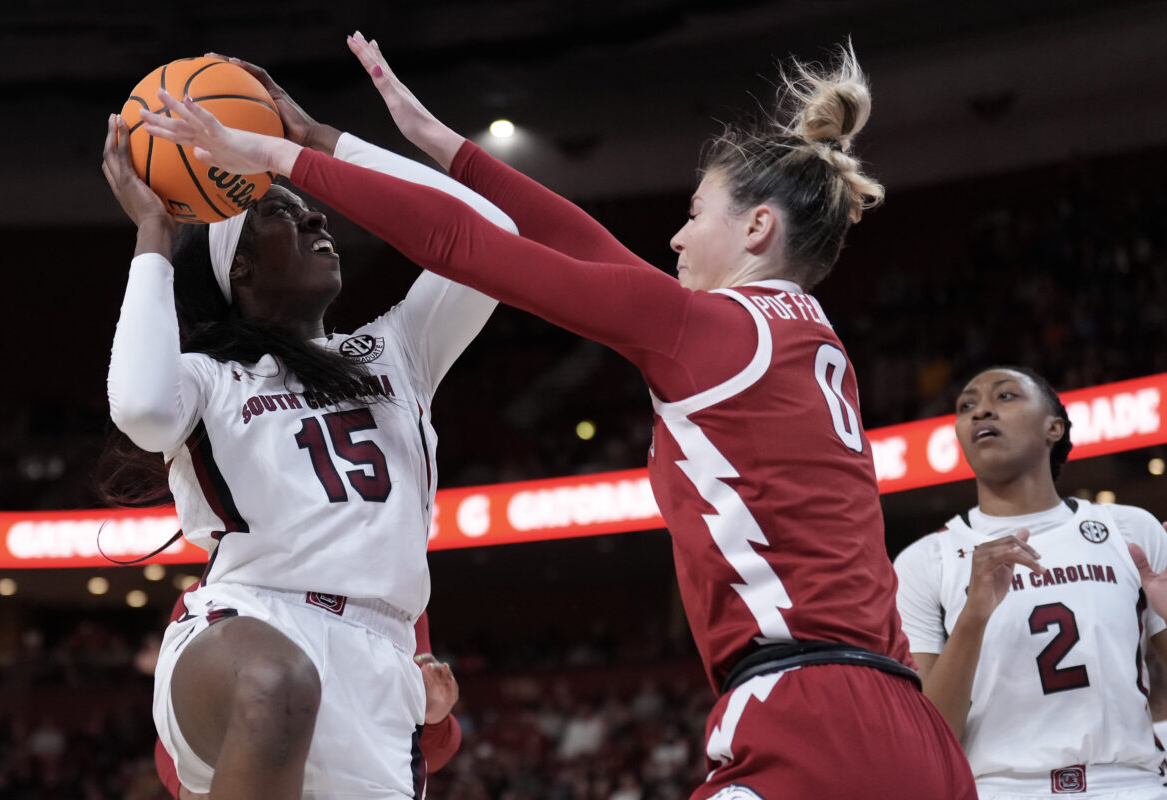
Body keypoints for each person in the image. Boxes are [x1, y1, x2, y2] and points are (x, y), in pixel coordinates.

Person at [138, 36, 976, 798]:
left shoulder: (704, 327)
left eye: (692, 216)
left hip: (811, 708)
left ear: (758, 227)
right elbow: (582, 244)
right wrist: (437, 146)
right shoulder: (807, 336)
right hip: (912, 727)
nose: (675, 242)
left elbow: (472, 250)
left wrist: (283, 154)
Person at [101, 55, 514, 800]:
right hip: (246, 626)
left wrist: (321, 143)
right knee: (276, 678)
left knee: (289, 687)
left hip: (382, 667)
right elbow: (140, 408)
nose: (318, 214)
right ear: (243, 274)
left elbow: (488, 228)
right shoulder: (211, 379)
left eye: (306, 205)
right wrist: (153, 237)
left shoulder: (397, 350)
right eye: (280, 212)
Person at [894, 366, 1167, 799]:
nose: (981, 410)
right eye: (967, 405)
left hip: (1129, 784)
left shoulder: (1131, 530)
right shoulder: (923, 561)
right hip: (999, 790)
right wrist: (973, 615)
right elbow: (930, 736)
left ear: (1053, 427)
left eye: (1005, 397)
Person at [152, 592, 462, 800]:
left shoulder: (400, 607)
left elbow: (427, 754)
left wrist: (435, 715)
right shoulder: (221, 590)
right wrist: (192, 792)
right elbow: (169, 745)